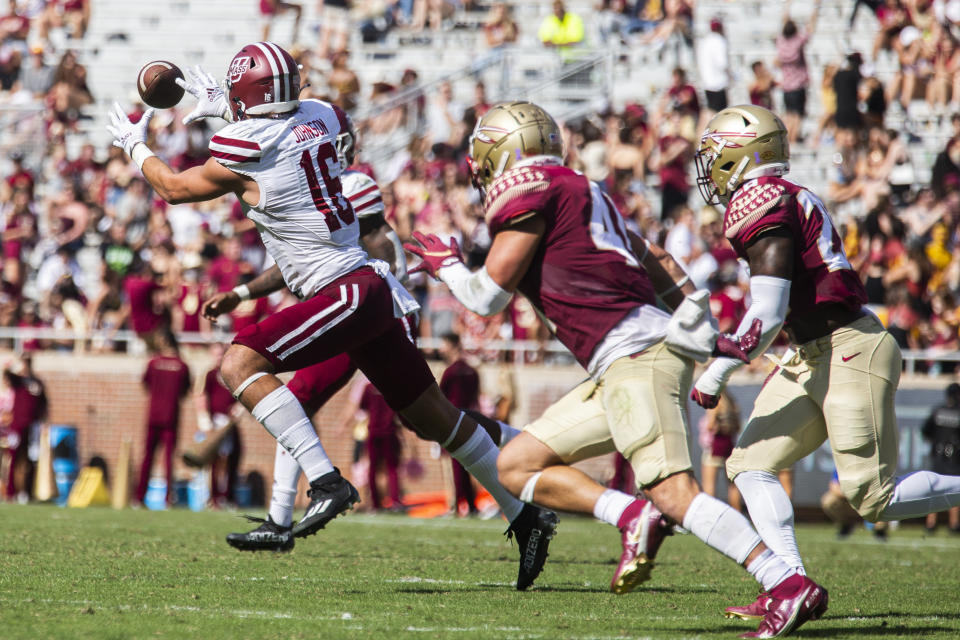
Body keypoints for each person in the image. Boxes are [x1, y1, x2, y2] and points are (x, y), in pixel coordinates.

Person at [108, 62, 554, 589]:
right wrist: (230, 107)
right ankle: (526, 517)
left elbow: (176, 189)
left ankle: (324, 482)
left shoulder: (246, 145)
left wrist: (136, 146)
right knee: (436, 419)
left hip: (341, 288)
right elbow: (289, 124)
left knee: (238, 362)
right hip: (363, 287)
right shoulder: (319, 115)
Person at [406, 101, 820, 638]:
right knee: (516, 465)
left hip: (634, 355)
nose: (484, 176)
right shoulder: (587, 189)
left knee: (673, 493)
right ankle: (630, 517)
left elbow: (485, 298)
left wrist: (448, 266)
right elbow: (658, 260)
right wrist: (697, 317)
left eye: (486, 162)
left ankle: (785, 583)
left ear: (503, 154)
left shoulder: (532, 188)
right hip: (620, 360)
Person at [692, 103, 960, 632]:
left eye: (715, 154)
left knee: (871, 497)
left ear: (742, 156)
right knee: (748, 464)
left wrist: (716, 370)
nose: (708, 167)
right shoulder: (776, 195)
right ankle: (791, 587)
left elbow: (767, 312)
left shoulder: (762, 197)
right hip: (810, 354)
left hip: (848, 347)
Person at [135, 329, 191, 507]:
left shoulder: (153, 363)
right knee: (168, 459)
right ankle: (168, 499)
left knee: (147, 457)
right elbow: (185, 391)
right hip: (171, 416)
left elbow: (146, 385)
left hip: (153, 415)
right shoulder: (182, 365)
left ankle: (139, 497)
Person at [438, 332, 481, 515]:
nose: (441, 349)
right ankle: (471, 505)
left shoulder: (450, 372)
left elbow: (440, 399)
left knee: (453, 467)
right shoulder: (472, 370)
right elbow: (476, 397)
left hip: (452, 422)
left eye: (444, 344)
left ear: (452, 345)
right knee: (467, 465)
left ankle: (455, 506)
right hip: (470, 421)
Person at [775, 0, 820, 144]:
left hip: (786, 86)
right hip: (798, 85)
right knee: (797, 117)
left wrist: (787, 6)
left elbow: (784, 22)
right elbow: (810, 29)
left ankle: (788, 140)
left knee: (788, 116)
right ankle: (792, 142)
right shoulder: (797, 42)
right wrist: (816, 7)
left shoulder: (781, 42)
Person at [3, 355, 47, 503]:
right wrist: (14, 364)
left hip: (32, 426)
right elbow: (6, 373)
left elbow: (43, 405)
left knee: (32, 459)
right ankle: (11, 493)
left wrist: (44, 421)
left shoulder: (36, 383)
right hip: (16, 426)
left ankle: (27, 492)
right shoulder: (18, 381)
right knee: (14, 458)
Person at [921, 383, 960, 533]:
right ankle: (954, 523)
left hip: (938, 455)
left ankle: (930, 523)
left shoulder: (938, 411)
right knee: (955, 489)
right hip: (956, 457)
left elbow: (926, 431)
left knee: (935, 489)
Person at [696, 16, 730, 118]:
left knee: (710, 111)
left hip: (707, 82)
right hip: (719, 83)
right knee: (719, 114)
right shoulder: (719, 40)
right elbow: (722, 63)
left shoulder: (705, 41)